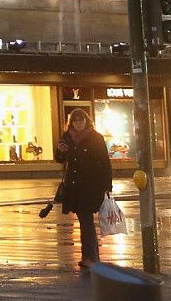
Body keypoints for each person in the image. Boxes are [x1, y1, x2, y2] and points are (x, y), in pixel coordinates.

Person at [56, 108, 112, 270]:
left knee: (86, 219)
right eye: (75, 121)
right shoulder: (66, 137)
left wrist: (107, 185)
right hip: (74, 185)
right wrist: (60, 152)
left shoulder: (96, 138)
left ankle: (90, 257)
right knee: (85, 220)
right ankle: (91, 257)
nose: (78, 124)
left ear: (87, 121)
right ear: (71, 122)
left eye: (81, 121)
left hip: (92, 184)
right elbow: (60, 159)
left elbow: (104, 162)